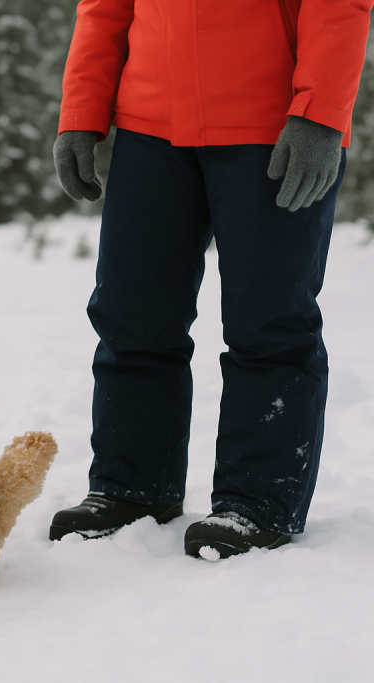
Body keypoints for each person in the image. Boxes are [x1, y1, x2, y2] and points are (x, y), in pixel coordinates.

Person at [49, 0, 372, 558]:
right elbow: (104, 6)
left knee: (269, 320)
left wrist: (320, 114)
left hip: (271, 125)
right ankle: (132, 488)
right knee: (132, 315)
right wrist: (81, 110)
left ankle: (258, 501)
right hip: (151, 126)